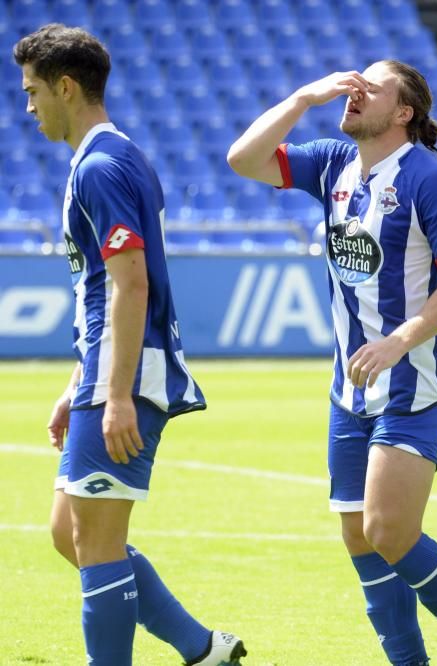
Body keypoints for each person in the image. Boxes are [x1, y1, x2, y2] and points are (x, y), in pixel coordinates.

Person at [227, 60, 437, 666]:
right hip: (349, 393)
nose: (355, 90)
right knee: (360, 540)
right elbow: (242, 159)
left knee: (389, 531)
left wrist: (400, 340)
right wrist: (302, 95)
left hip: (413, 387)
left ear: (403, 113)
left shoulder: (428, 178)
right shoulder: (332, 165)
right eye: (353, 81)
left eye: (373, 86)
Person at [15, 23, 245, 665]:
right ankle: (204, 649)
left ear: (65, 87)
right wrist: (76, 385)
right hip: (105, 369)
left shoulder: (103, 166)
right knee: (72, 533)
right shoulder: (110, 159)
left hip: (127, 374)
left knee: (96, 538)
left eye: (33, 92)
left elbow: (131, 284)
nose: (27, 106)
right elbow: (102, 290)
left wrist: (113, 394)